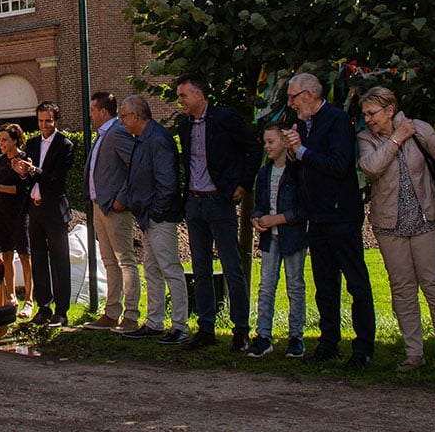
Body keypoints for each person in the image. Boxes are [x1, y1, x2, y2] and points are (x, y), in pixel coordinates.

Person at [357, 86, 435, 372]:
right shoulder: (366, 138)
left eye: (372, 113)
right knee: (402, 289)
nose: (367, 119)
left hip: (427, 220)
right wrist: (395, 138)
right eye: (365, 114)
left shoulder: (419, 129)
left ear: (390, 109)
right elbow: (371, 168)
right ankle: (413, 353)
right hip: (390, 225)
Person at [282, 72, 374, 367]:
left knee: (355, 281)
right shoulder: (301, 125)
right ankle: (328, 342)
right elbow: (301, 170)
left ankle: (363, 348)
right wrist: (294, 155)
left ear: (309, 95)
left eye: (293, 97)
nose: (290, 103)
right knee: (324, 284)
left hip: (341, 214)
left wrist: (303, 152)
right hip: (317, 216)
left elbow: (338, 165)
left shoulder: (336, 120)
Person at [174, 73, 261, 352]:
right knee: (200, 269)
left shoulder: (225, 118)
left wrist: (243, 184)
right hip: (195, 203)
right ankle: (206, 328)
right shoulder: (184, 126)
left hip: (219, 201)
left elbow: (253, 149)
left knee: (232, 267)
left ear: (199, 95)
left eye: (183, 95)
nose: (180, 101)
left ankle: (241, 330)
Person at [118, 93, 189, 344]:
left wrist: (155, 212)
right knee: (151, 270)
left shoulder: (157, 139)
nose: (121, 120)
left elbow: (167, 184)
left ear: (136, 116)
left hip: (159, 217)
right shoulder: (142, 138)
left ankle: (180, 325)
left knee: (170, 269)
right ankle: (155, 321)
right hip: (148, 217)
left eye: (123, 115)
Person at [247, 122, 307, 359]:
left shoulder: (297, 170)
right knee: (266, 286)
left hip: (292, 237)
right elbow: (260, 204)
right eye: (265, 142)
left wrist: (277, 220)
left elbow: (302, 209)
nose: (267, 146)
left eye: (271, 142)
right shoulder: (264, 172)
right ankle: (263, 335)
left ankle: (296, 336)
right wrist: (257, 218)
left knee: (295, 285)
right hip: (269, 238)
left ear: (284, 142)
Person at [17, 101, 76, 326]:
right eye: (40, 121)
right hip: (35, 208)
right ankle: (44, 307)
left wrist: (34, 171)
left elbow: (55, 179)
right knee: (39, 259)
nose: (44, 125)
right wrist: (23, 173)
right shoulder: (32, 144)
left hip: (55, 210)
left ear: (56, 120)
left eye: (48, 121)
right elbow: (29, 179)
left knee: (59, 260)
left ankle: (62, 310)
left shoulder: (65, 145)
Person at [85, 92, 140, 332]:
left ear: (103, 112)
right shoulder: (103, 135)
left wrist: (122, 198)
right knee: (109, 261)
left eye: (93, 110)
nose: (90, 114)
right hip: (101, 206)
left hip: (115, 209)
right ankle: (112, 312)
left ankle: (131, 315)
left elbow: (136, 166)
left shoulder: (117, 132)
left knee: (125, 260)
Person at [0, 123, 33, 315]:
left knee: (25, 256)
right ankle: (10, 296)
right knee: (6, 255)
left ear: (15, 140)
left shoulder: (24, 160)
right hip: (2, 212)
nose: (1, 143)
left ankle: (29, 300)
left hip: (19, 213)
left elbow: (21, 190)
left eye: (4, 140)